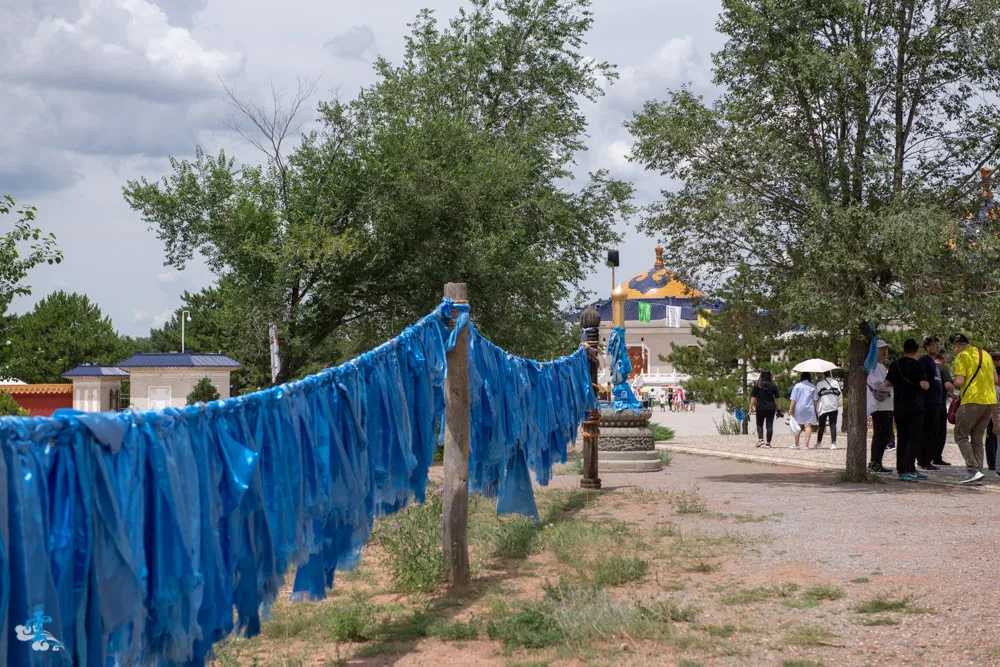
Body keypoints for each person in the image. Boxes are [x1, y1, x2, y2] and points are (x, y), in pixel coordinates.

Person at [950, 333, 998, 484]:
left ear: (958, 345)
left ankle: (972, 469)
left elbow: (959, 381)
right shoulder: (986, 355)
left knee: (961, 435)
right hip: (988, 401)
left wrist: (952, 380)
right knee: (977, 438)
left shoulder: (962, 356)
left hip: (971, 400)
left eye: (954, 346)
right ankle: (978, 472)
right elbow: (995, 379)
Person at [885, 339, 930, 482]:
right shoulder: (917, 365)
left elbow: (887, 383)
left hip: (899, 406)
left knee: (902, 438)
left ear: (903, 349)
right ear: (917, 350)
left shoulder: (895, 364)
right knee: (913, 438)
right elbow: (924, 385)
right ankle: (910, 469)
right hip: (914, 406)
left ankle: (901, 469)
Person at [866, 340, 894, 474]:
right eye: (882, 349)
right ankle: (874, 462)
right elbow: (877, 384)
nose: (885, 352)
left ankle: (878, 461)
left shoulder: (881, 367)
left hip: (887, 405)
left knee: (886, 435)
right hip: (880, 406)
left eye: (886, 349)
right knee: (880, 435)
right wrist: (890, 383)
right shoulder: (873, 366)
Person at [916, 337, 944, 471]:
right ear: (927, 347)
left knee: (933, 432)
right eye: (934, 345)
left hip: (936, 402)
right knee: (926, 432)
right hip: (928, 402)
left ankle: (928, 458)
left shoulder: (932, 362)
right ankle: (924, 460)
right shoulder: (924, 361)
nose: (936, 347)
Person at [749, 369, 782, 448]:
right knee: (769, 425)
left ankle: (761, 439)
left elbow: (753, 397)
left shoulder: (757, 385)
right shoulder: (773, 385)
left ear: (761, 375)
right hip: (771, 408)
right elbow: (777, 398)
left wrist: (750, 407)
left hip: (760, 407)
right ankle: (768, 443)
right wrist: (779, 409)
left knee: (759, 424)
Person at [932, 353, 954, 466]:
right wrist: (953, 392)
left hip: (927, 404)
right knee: (940, 432)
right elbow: (948, 386)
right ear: (943, 360)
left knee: (928, 431)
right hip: (940, 404)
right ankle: (937, 457)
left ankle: (925, 457)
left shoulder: (927, 366)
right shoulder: (943, 369)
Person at [788, 373, 818, 449]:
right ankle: (806, 445)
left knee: (798, 426)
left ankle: (797, 444)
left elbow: (793, 399)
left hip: (799, 408)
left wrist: (790, 408)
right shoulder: (813, 386)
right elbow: (815, 400)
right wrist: (815, 410)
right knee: (808, 426)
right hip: (809, 408)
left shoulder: (797, 386)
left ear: (801, 377)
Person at [815, 371, 842, 449]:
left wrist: (816, 408)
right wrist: (838, 404)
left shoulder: (819, 384)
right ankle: (833, 444)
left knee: (821, 425)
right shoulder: (836, 383)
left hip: (823, 407)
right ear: (830, 374)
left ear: (823, 375)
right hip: (833, 406)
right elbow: (840, 395)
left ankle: (819, 443)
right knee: (833, 424)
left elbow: (816, 397)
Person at [986, 350, 1000, 472]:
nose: (998, 361)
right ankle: (992, 462)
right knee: (991, 435)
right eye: (995, 358)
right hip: (990, 409)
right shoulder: (987, 372)